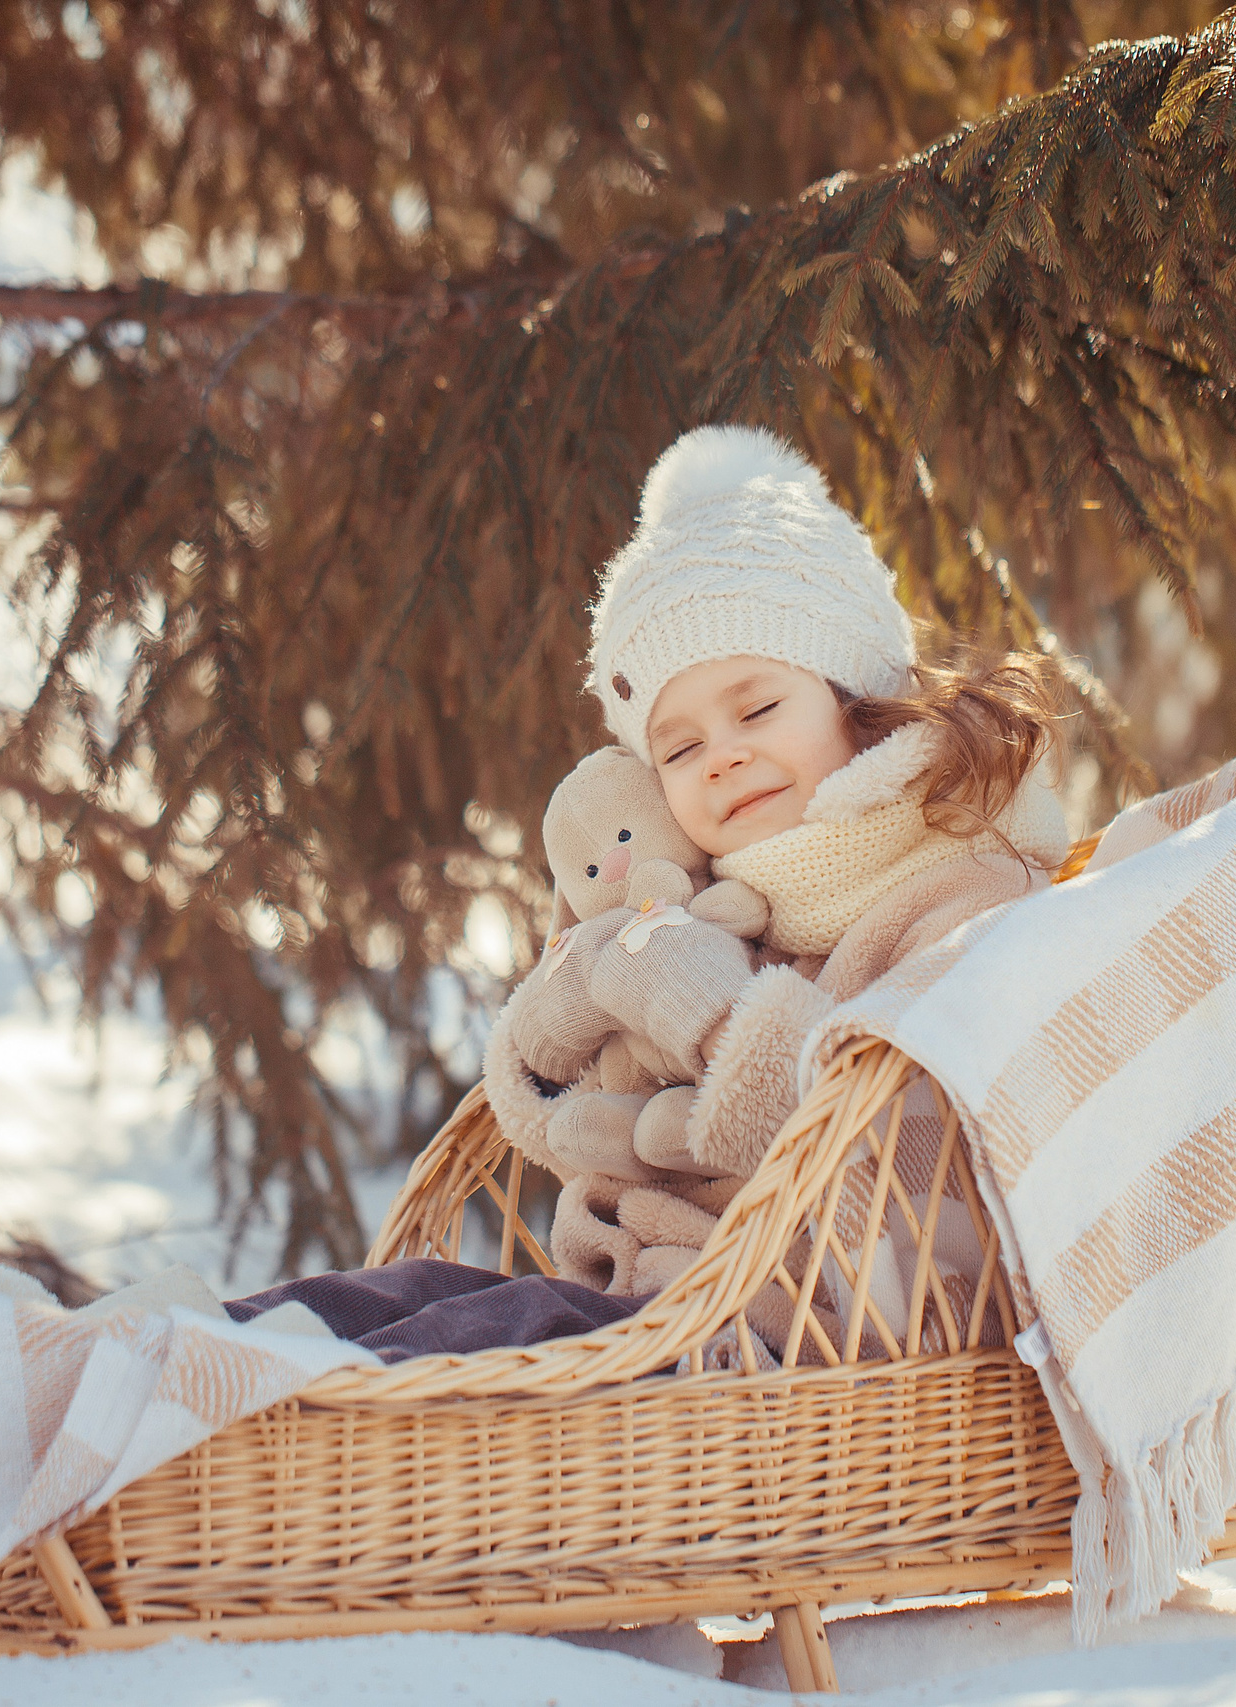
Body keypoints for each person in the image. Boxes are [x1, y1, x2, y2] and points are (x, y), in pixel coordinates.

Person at [229, 423, 1076, 1355]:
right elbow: (577, 1115)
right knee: (391, 1300)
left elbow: (913, 1159)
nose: (722, 757)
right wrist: (573, 1012)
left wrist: (710, 1012)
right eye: (679, 747)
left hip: (784, 1333)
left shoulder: (960, 887)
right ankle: (182, 1363)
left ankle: (251, 1383)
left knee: (484, 1338)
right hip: (629, 1296)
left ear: (857, 695)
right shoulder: (704, 900)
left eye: (758, 708)